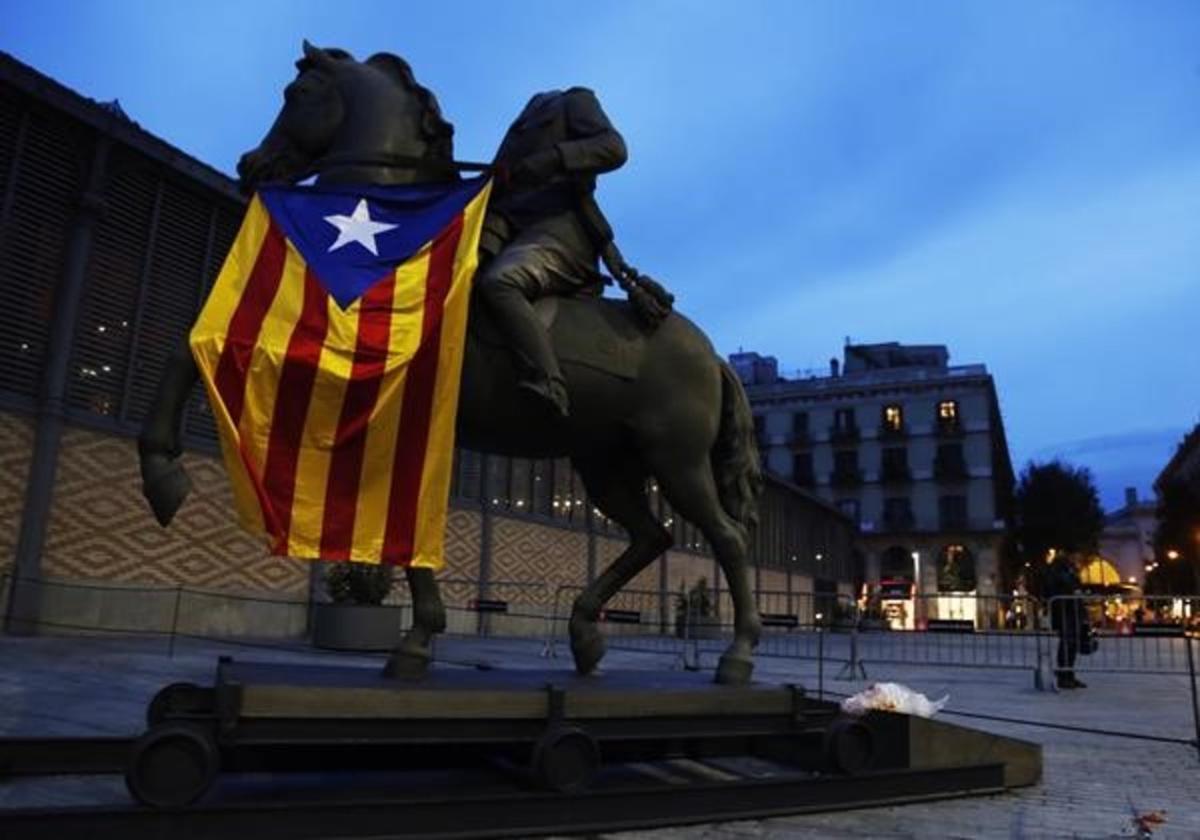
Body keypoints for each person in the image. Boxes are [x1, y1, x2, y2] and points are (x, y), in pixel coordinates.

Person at [476, 86, 666, 419]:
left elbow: (613, 148)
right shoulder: (517, 129)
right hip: (510, 234)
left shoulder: (571, 100)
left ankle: (549, 381)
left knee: (500, 283)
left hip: (560, 232)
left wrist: (554, 159)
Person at [1044, 552, 1087, 689]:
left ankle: (1069, 674)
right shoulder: (1058, 572)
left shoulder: (1070, 571)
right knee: (1067, 644)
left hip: (1072, 611)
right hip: (1065, 612)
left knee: (1072, 644)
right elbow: (1057, 589)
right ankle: (1064, 675)